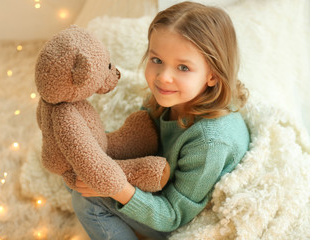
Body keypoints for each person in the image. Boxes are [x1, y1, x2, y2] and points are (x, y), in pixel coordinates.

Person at [70, 1, 250, 239]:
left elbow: (174, 216)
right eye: (156, 60)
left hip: (180, 218)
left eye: (183, 67)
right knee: (76, 174)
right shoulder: (167, 99)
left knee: (87, 200)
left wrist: (116, 188)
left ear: (213, 75)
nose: (164, 77)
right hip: (160, 182)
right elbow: (138, 140)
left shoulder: (210, 142)